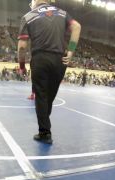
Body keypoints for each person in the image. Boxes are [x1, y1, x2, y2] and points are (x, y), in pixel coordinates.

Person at [18, 0, 81, 144]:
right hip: (60, 60)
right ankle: (45, 125)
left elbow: (22, 47)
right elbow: (77, 27)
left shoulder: (28, 16)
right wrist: (70, 51)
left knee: (41, 96)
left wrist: (22, 66)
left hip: (40, 59)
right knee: (49, 97)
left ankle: (45, 133)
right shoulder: (63, 13)